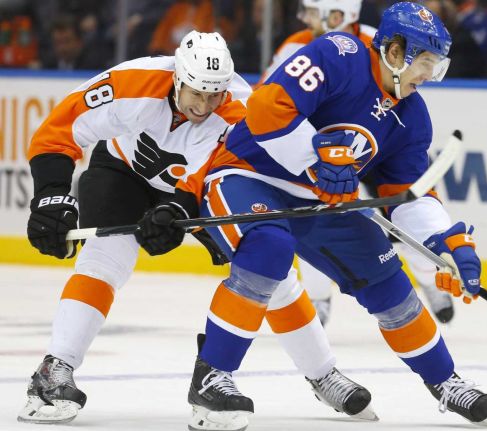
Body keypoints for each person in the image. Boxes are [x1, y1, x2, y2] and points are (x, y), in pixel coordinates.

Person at [136, 2, 487, 428]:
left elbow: (407, 196)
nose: (427, 77)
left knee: (388, 279)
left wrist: (447, 240)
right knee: (268, 247)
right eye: (425, 63)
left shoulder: (411, 116)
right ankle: (212, 376)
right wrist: (315, 159)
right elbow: (266, 108)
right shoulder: (339, 53)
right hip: (247, 174)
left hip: (319, 201)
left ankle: (445, 381)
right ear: (396, 52)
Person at [19, 30, 373, 426]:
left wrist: (176, 209)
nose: (204, 106)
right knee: (106, 258)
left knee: (270, 271)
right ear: (177, 79)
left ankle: (323, 373)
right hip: (121, 171)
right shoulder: (133, 82)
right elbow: (60, 128)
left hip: (198, 187)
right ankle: (54, 370)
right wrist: (50, 195)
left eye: (214, 95)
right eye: (196, 93)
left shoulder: (240, 110)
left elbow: (214, 173)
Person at [260, 0, 454, 326]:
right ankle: (319, 298)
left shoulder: (376, 42)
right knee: (316, 211)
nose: (305, 18)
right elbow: (272, 97)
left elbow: (397, 96)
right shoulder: (298, 45)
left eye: (311, 11)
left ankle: (428, 278)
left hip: (372, 149)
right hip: (324, 147)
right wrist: (315, 158)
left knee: (401, 218)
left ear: (338, 15)